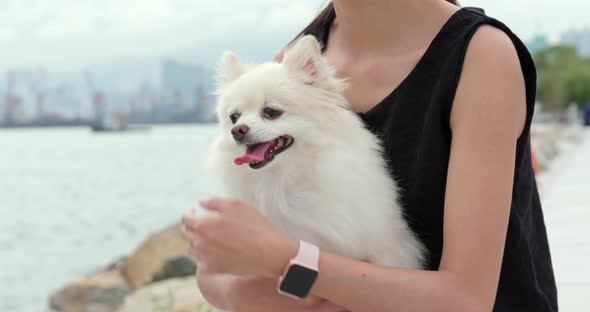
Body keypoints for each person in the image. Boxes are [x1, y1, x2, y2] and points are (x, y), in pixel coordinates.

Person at [181, 1, 558, 311]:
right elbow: (221, 272)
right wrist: (234, 285)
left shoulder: (482, 56)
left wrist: (283, 262)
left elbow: (465, 300)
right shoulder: (297, 57)